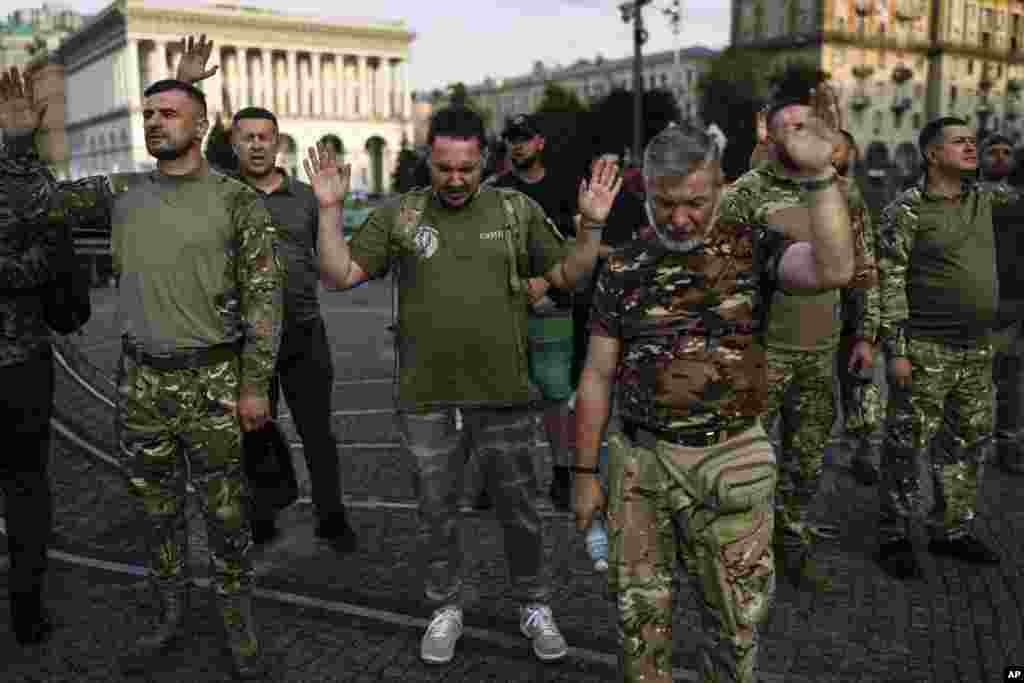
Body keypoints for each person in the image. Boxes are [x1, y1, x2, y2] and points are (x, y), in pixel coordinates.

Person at [314, 105, 620, 665]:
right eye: (444, 168)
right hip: (427, 399)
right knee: (437, 512)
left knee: (521, 512)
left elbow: (567, 275)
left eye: (467, 168)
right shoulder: (402, 214)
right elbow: (340, 275)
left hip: (504, 395)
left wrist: (592, 226)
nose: (455, 180)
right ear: (428, 160)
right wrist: (331, 210)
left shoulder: (514, 208)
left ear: (485, 161)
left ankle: (533, 602)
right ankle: (445, 606)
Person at [574, 118, 853, 682]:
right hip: (641, 465)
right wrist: (584, 472)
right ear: (644, 191)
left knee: (735, 624)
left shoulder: (753, 249)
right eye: (665, 202)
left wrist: (822, 174)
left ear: (721, 189)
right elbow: (598, 375)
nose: (681, 218)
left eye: (696, 202)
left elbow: (835, 268)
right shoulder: (624, 266)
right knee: (640, 622)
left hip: (731, 458)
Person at [724, 81, 878, 589]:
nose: (798, 135)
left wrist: (865, 336)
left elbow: (863, 267)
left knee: (808, 461)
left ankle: (793, 543)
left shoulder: (842, 189)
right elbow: (721, 276)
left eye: (805, 125)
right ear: (768, 132)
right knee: (747, 461)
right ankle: (744, 553)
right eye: (788, 126)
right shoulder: (746, 192)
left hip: (820, 353)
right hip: (763, 353)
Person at [875, 116, 1015, 580]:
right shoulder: (907, 210)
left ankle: (951, 530)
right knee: (906, 443)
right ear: (932, 155)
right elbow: (889, 283)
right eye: (960, 143)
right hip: (924, 348)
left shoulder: (986, 200)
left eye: (973, 142)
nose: (971, 149)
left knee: (966, 441)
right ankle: (895, 533)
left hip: (975, 350)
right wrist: (895, 350)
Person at [0, 67, 102, 646]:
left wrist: (19, 146)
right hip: (22, 358)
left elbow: (53, 230)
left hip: (21, 363)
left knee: (26, 484)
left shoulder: (19, 178)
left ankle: (27, 601)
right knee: (25, 484)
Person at [230, 106, 357, 552]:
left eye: (265, 136)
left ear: (278, 141)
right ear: (235, 144)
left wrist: (332, 209)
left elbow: (329, 264)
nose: (258, 144)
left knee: (318, 431)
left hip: (303, 331)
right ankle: (261, 515)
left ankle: (332, 516)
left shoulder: (306, 197)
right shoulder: (221, 196)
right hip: (247, 338)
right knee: (252, 430)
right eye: (248, 137)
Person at [489, 113, 580, 510]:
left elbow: (579, 245)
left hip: (552, 306)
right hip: (504, 309)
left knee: (555, 396)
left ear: (540, 142)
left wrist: (547, 285)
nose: (517, 145)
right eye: (511, 139)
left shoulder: (564, 186)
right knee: (498, 398)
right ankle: (499, 477)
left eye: (524, 138)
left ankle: (561, 474)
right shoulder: (496, 191)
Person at [834, 129, 885, 487]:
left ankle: (864, 446)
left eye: (842, 147)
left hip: (857, 301)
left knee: (860, 379)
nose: (836, 153)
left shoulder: (868, 186)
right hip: (822, 302)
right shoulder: (809, 188)